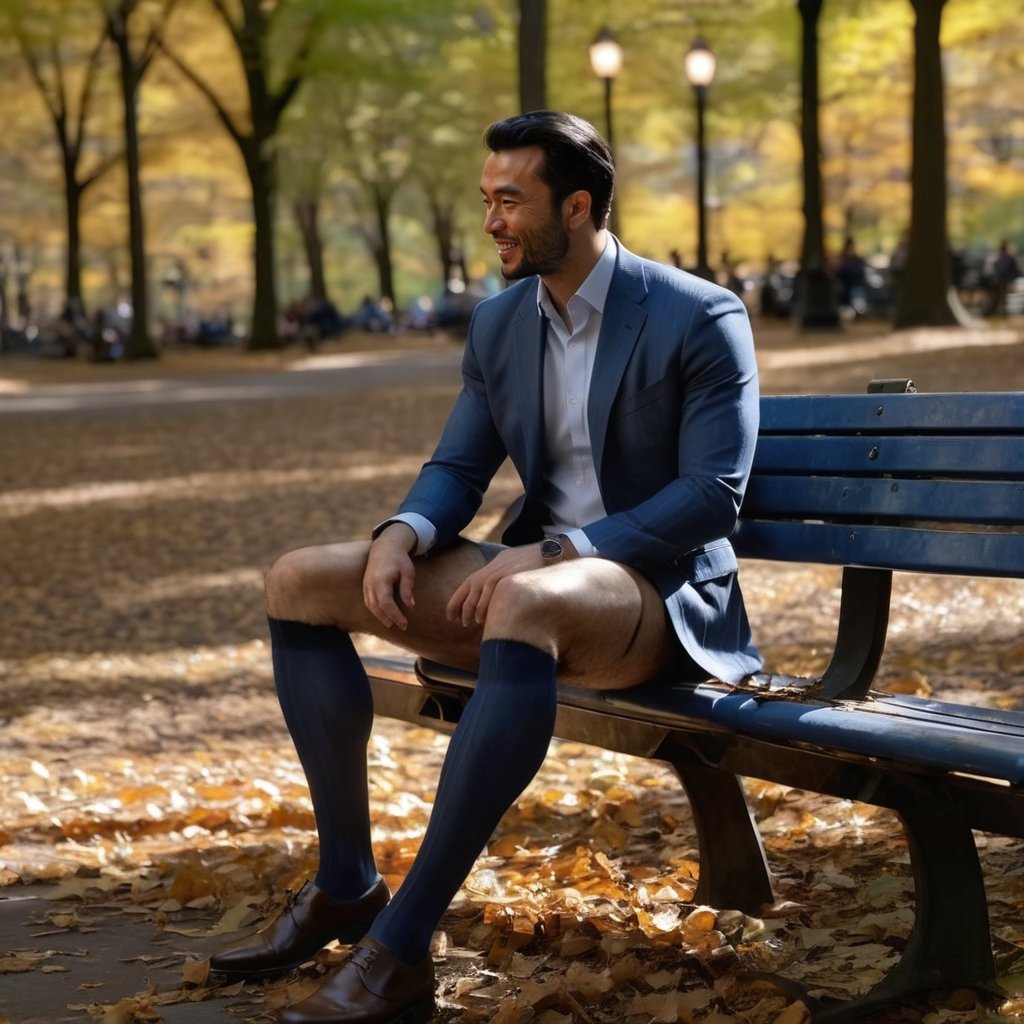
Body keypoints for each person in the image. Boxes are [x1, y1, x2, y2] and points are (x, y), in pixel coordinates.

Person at [209, 110, 763, 1024]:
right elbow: (460, 467)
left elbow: (713, 495)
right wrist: (404, 531)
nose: (493, 219)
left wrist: (566, 550)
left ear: (577, 205)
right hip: (536, 577)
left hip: (659, 595)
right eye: (487, 199)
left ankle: (400, 947)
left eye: (512, 200)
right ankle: (347, 882)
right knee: (300, 578)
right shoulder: (502, 322)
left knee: (524, 599)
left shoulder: (698, 314)